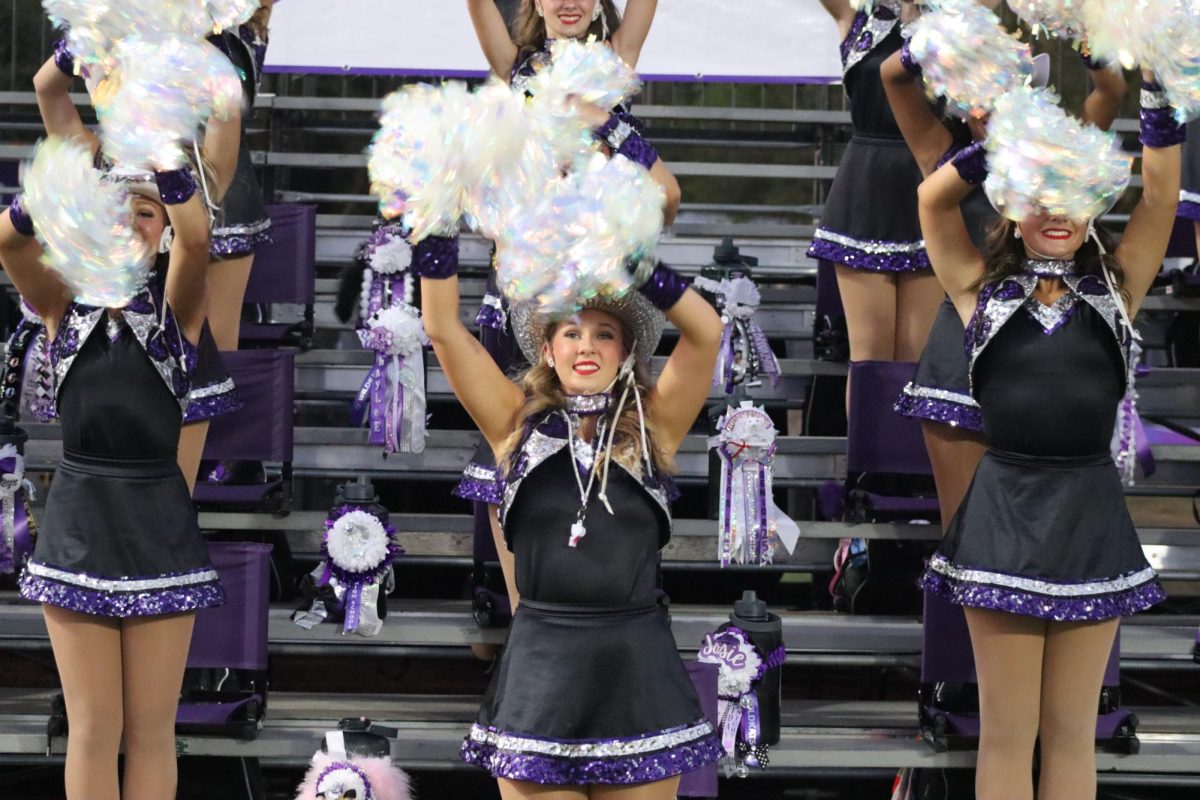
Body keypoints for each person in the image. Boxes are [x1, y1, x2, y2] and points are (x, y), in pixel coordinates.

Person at [915, 73, 1181, 800]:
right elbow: (931, 200)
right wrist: (1000, 145)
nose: (1055, 212)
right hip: (1003, 513)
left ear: (1093, 199)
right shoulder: (977, 288)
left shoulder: (1120, 286)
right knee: (1006, 733)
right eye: (1039, 191)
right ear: (1013, 198)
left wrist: (1161, 102)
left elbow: (1159, 197)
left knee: (1072, 735)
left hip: (1091, 513)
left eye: (1071, 193)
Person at [414, 227, 723, 797]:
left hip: (637, 668)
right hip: (541, 668)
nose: (586, 346)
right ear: (548, 350)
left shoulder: (653, 428)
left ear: (627, 351)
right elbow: (441, 329)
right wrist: (435, 229)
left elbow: (706, 332)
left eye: (604, 334)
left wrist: (639, 260)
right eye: (571, 333)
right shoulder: (514, 423)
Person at [2, 151, 222, 799]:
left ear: (165, 228)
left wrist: (169, 162)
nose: (131, 221)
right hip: (77, 520)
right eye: (117, 211)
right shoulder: (60, 302)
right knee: (94, 728)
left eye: (147, 212)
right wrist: (49, 192)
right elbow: (9, 243)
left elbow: (201, 236)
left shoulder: (179, 308)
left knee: (150, 730)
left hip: (159, 520)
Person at [460, 0, 679, 625]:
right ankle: (525, 620)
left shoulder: (617, 63)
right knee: (517, 446)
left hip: (597, 291)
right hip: (523, 291)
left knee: (609, 434)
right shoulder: (514, 65)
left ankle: (608, 604)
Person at [881, 39, 1127, 529]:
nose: (999, 103)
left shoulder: (1061, 155)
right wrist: (945, 37)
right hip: (963, 345)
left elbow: (1111, 90)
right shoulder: (941, 151)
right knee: (967, 530)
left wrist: (1090, 40)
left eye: (1013, 90)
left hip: (1047, 350)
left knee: (1049, 529)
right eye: (987, 91)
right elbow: (891, 76)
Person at [31, 37, 244, 493]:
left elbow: (227, 101)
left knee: (171, 505)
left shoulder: (200, 169)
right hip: (99, 340)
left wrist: (195, 45)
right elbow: (46, 87)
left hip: (173, 338)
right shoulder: (91, 156)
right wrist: (78, 44)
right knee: (96, 495)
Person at [812, 0, 943, 412]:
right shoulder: (856, 16)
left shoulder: (954, 20)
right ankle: (867, 472)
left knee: (915, 357)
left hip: (931, 186)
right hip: (864, 189)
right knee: (870, 356)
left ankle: (908, 473)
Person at [184, 1, 276, 489]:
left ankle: (231, 451)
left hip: (225, 189)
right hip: (158, 190)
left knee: (220, 335)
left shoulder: (240, 37)